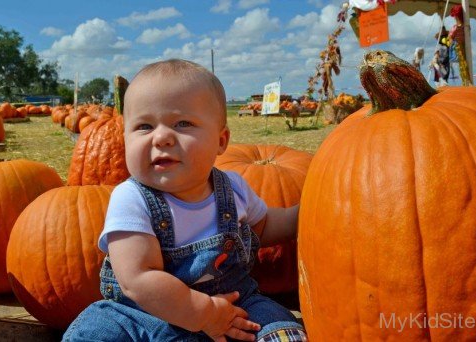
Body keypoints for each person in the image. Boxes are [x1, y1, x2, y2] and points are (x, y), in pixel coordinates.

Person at [62, 59, 307, 342]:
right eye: (144, 126)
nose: (162, 137)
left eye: (182, 123)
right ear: (125, 139)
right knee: (95, 333)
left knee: (280, 331)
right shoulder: (130, 199)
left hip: (234, 306)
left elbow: (263, 226)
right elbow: (138, 278)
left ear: (221, 141)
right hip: (144, 316)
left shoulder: (233, 188)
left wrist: (304, 214)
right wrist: (202, 313)